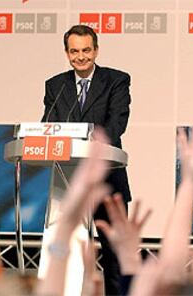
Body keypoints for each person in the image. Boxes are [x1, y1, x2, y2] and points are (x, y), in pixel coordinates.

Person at [41, 24, 131, 294]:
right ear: (67, 53)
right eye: (74, 51)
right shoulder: (55, 86)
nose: (80, 57)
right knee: (63, 251)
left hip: (107, 181)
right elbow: (47, 126)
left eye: (86, 50)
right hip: (67, 183)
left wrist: (87, 140)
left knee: (114, 255)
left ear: (96, 50)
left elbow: (116, 125)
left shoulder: (116, 80)